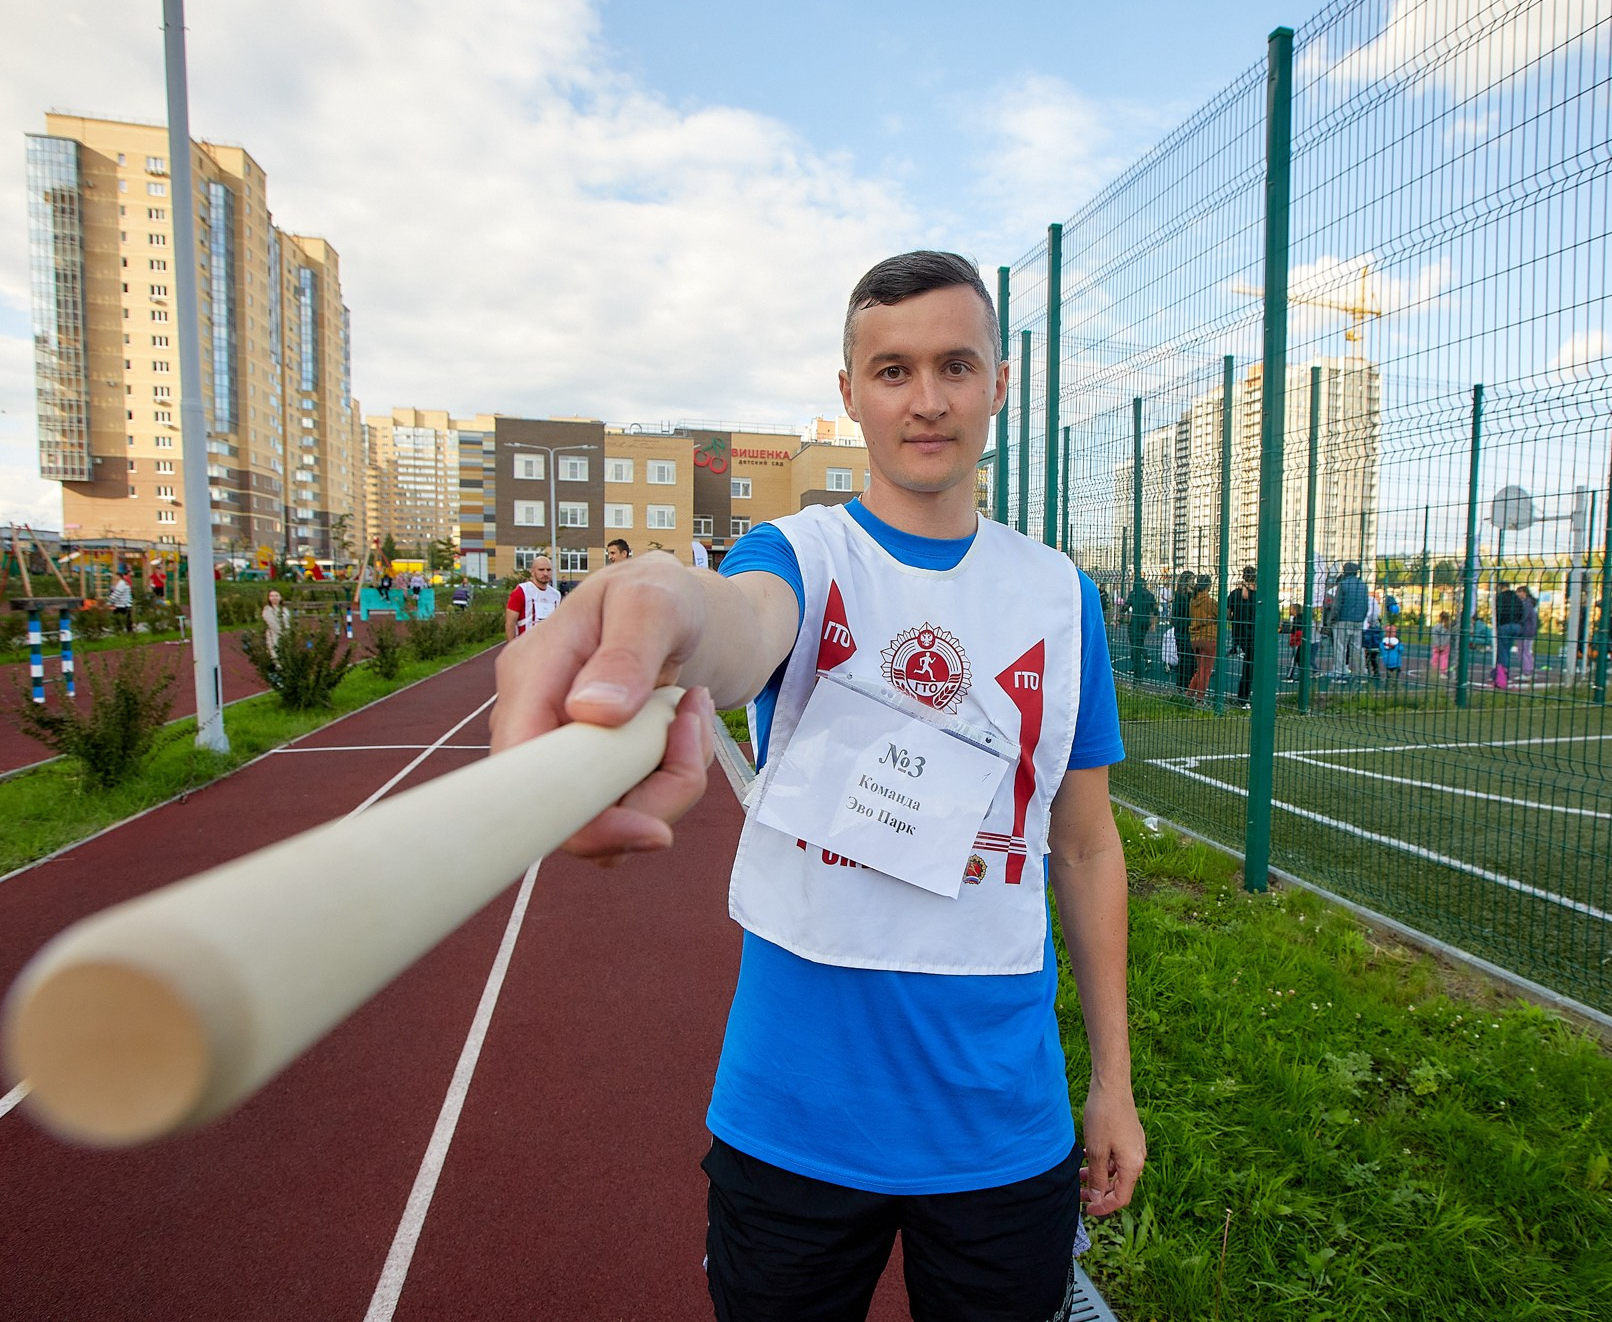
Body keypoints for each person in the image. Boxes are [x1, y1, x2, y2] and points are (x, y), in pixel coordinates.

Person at [491, 250, 1141, 1319]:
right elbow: (738, 626)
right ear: (848, 394)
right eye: (891, 370)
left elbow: (1083, 843)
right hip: (793, 1120)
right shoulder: (799, 553)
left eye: (954, 365)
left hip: (998, 1127)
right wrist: (663, 601)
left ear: (997, 383)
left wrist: (1110, 1083)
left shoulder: (1056, 594)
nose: (925, 400)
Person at [503, 555, 562, 642]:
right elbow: (510, 623)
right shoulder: (521, 591)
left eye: (548, 570)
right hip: (525, 646)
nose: (545, 573)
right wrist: (511, 649)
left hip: (548, 647)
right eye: (541, 570)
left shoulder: (556, 595)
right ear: (532, 572)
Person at [1328, 562, 1369, 678]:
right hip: (1358, 620)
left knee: (1340, 647)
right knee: (1358, 647)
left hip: (1343, 620)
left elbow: (1337, 605)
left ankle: (1340, 671)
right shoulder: (1363, 585)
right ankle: (1361, 671)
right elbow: (1366, 605)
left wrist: (1332, 620)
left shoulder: (1343, 584)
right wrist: (1361, 618)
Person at [1227, 567, 1259, 703]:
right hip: (1254, 632)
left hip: (1239, 632)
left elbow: (1228, 614)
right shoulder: (1258, 594)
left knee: (1249, 664)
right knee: (1252, 665)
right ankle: (1245, 696)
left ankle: (1244, 695)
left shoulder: (1235, 593)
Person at [1186, 574, 1218, 699]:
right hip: (1209, 637)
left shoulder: (1193, 601)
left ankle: (1189, 694)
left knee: (1200, 669)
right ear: (1208, 586)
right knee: (1206, 671)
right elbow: (1222, 614)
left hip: (1195, 638)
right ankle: (1200, 698)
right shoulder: (1210, 602)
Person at [1125, 576, 1157, 680]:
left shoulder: (1134, 594)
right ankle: (1146, 660)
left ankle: (1137, 666)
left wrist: (1118, 618)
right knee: (1139, 642)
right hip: (1145, 622)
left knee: (1135, 643)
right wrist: (1153, 623)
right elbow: (1155, 610)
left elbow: (1125, 607)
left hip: (1135, 622)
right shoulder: (1150, 595)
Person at [1492, 582, 1524, 687]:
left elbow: (1497, 612)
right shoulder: (1516, 598)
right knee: (1507, 649)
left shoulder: (1500, 598)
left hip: (1504, 625)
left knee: (1502, 651)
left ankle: (1502, 676)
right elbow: (1521, 611)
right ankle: (1504, 673)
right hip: (1516, 626)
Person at [1169, 571, 1195, 690]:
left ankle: (1188, 685)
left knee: (1190, 658)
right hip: (1182, 630)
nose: (1193, 582)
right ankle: (1182, 685)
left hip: (1188, 630)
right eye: (1191, 579)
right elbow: (1183, 612)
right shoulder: (1180, 596)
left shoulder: (1191, 594)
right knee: (1184, 657)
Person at [1517, 585, 1539, 681]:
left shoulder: (1526, 604)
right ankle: (1529, 670)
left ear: (1523, 592)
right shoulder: (1530, 603)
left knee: (1523, 652)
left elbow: (1523, 617)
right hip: (1529, 631)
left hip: (1525, 631)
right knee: (1527, 651)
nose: (1517, 594)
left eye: (1519, 592)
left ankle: (1527, 671)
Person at [260, 590, 289, 658]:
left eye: (276, 595)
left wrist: (287, 631)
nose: (274, 597)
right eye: (272, 596)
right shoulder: (267, 610)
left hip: (286, 633)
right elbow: (272, 623)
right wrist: (281, 633)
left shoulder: (284, 609)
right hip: (274, 634)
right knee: (276, 653)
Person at [1431, 610, 1453, 678]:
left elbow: (1434, 636)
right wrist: (1444, 645)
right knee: (1444, 658)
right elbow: (1448, 637)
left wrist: (1438, 645)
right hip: (1445, 646)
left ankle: (1434, 671)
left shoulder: (1436, 626)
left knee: (1435, 658)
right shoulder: (1448, 627)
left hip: (1436, 645)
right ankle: (1442, 672)